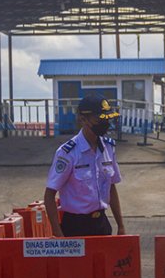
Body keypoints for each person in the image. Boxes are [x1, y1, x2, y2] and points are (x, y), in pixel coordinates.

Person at [43, 94, 126, 237]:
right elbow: (49, 195)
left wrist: (121, 226)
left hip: (101, 224)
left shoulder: (108, 148)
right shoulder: (68, 153)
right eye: (99, 119)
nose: (105, 123)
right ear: (83, 119)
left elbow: (111, 187)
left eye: (107, 118)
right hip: (75, 226)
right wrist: (58, 233)